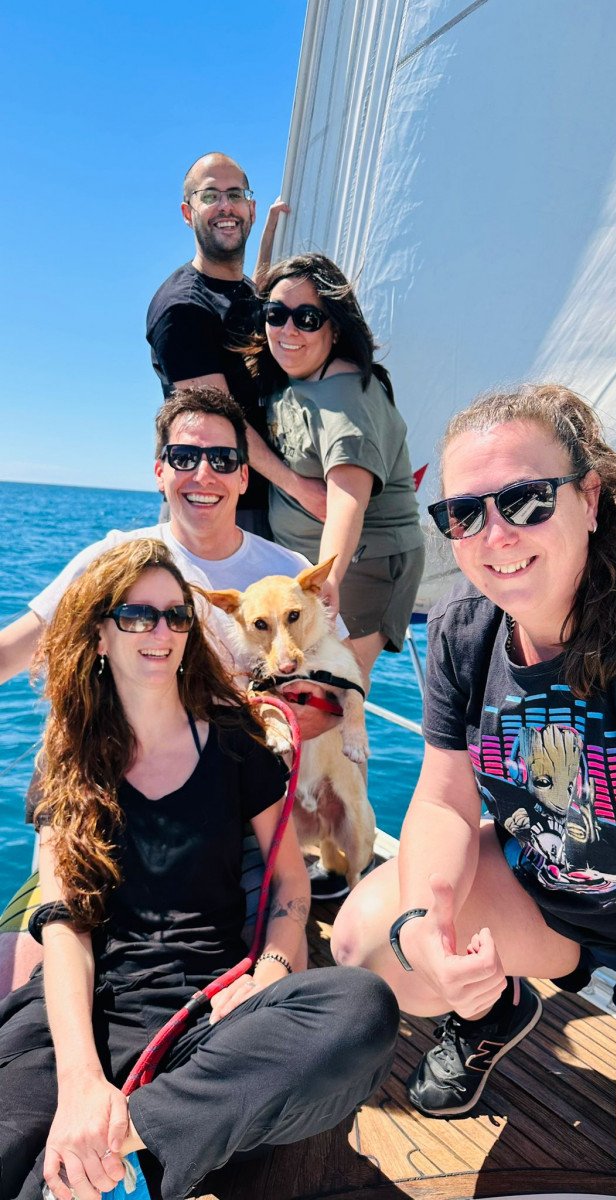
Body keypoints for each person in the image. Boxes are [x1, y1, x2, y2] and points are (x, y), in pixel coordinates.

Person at [330, 383, 616, 1200]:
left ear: (588, 498)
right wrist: (426, 922)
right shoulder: (466, 628)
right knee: (370, 943)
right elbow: (443, 800)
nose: (495, 535)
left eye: (524, 500)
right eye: (464, 513)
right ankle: (492, 1007)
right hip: (545, 903)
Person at [0, 539, 399, 1200]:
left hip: (212, 1010)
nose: (160, 631)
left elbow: (288, 883)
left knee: (361, 1009)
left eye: (176, 615)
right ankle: (147, 1157)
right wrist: (80, 1082)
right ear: (99, 635)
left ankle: (128, 1141)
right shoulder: (68, 760)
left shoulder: (237, 743)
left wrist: (271, 971)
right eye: (136, 615)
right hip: (86, 1008)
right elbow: (63, 923)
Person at [0, 387, 344, 985]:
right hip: (106, 806)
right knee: (28, 978)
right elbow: (17, 648)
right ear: (159, 471)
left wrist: (282, 721)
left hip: (237, 817)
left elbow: (337, 695)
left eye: (223, 460)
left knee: (256, 978)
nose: (203, 474)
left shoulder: (290, 573)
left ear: (244, 477)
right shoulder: (114, 560)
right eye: (184, 457)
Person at [249, 252, 425, 680]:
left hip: (363, 565)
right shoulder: (297, 378)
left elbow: (347, 501)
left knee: (328, 692)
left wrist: (327, 583)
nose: (288, 329)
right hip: (308, 569)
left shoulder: (344, 396)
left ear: (334, 327)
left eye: (307, 319)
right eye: (276, 315)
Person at [146, 152, 325, 536]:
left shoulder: (243, 290)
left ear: (251, 209)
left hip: (268, 501)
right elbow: (223, 419)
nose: (225, 206)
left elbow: (250, 306)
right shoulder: (181, 308)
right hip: (215, 505)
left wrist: (271, 240)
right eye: (210, 196)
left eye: (235, 195)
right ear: (188, 213)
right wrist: (300, 489)